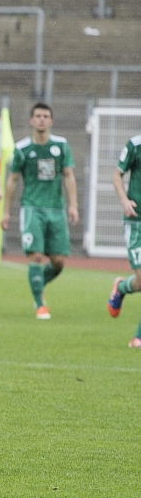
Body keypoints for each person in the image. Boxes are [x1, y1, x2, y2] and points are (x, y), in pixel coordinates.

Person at [1, 103, 78, 320]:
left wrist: (73, 205)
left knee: (59, 262)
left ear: (51, 121)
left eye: (45, 116)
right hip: (32, 207)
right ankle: (39, 304)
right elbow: (13, 180)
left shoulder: (61, 145)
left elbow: (69, 175)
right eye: (38, 116)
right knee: (35, 255)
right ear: (31, 120)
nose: (41, 119)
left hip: (56, 208)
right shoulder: (22, 148)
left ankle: (37, 284)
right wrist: (6, 212)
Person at [108, 131, 141, 348]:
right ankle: (121, 288)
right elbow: (117, 174)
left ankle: (121, 287)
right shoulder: (135, 144)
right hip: (136, 221)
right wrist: (124, 201)